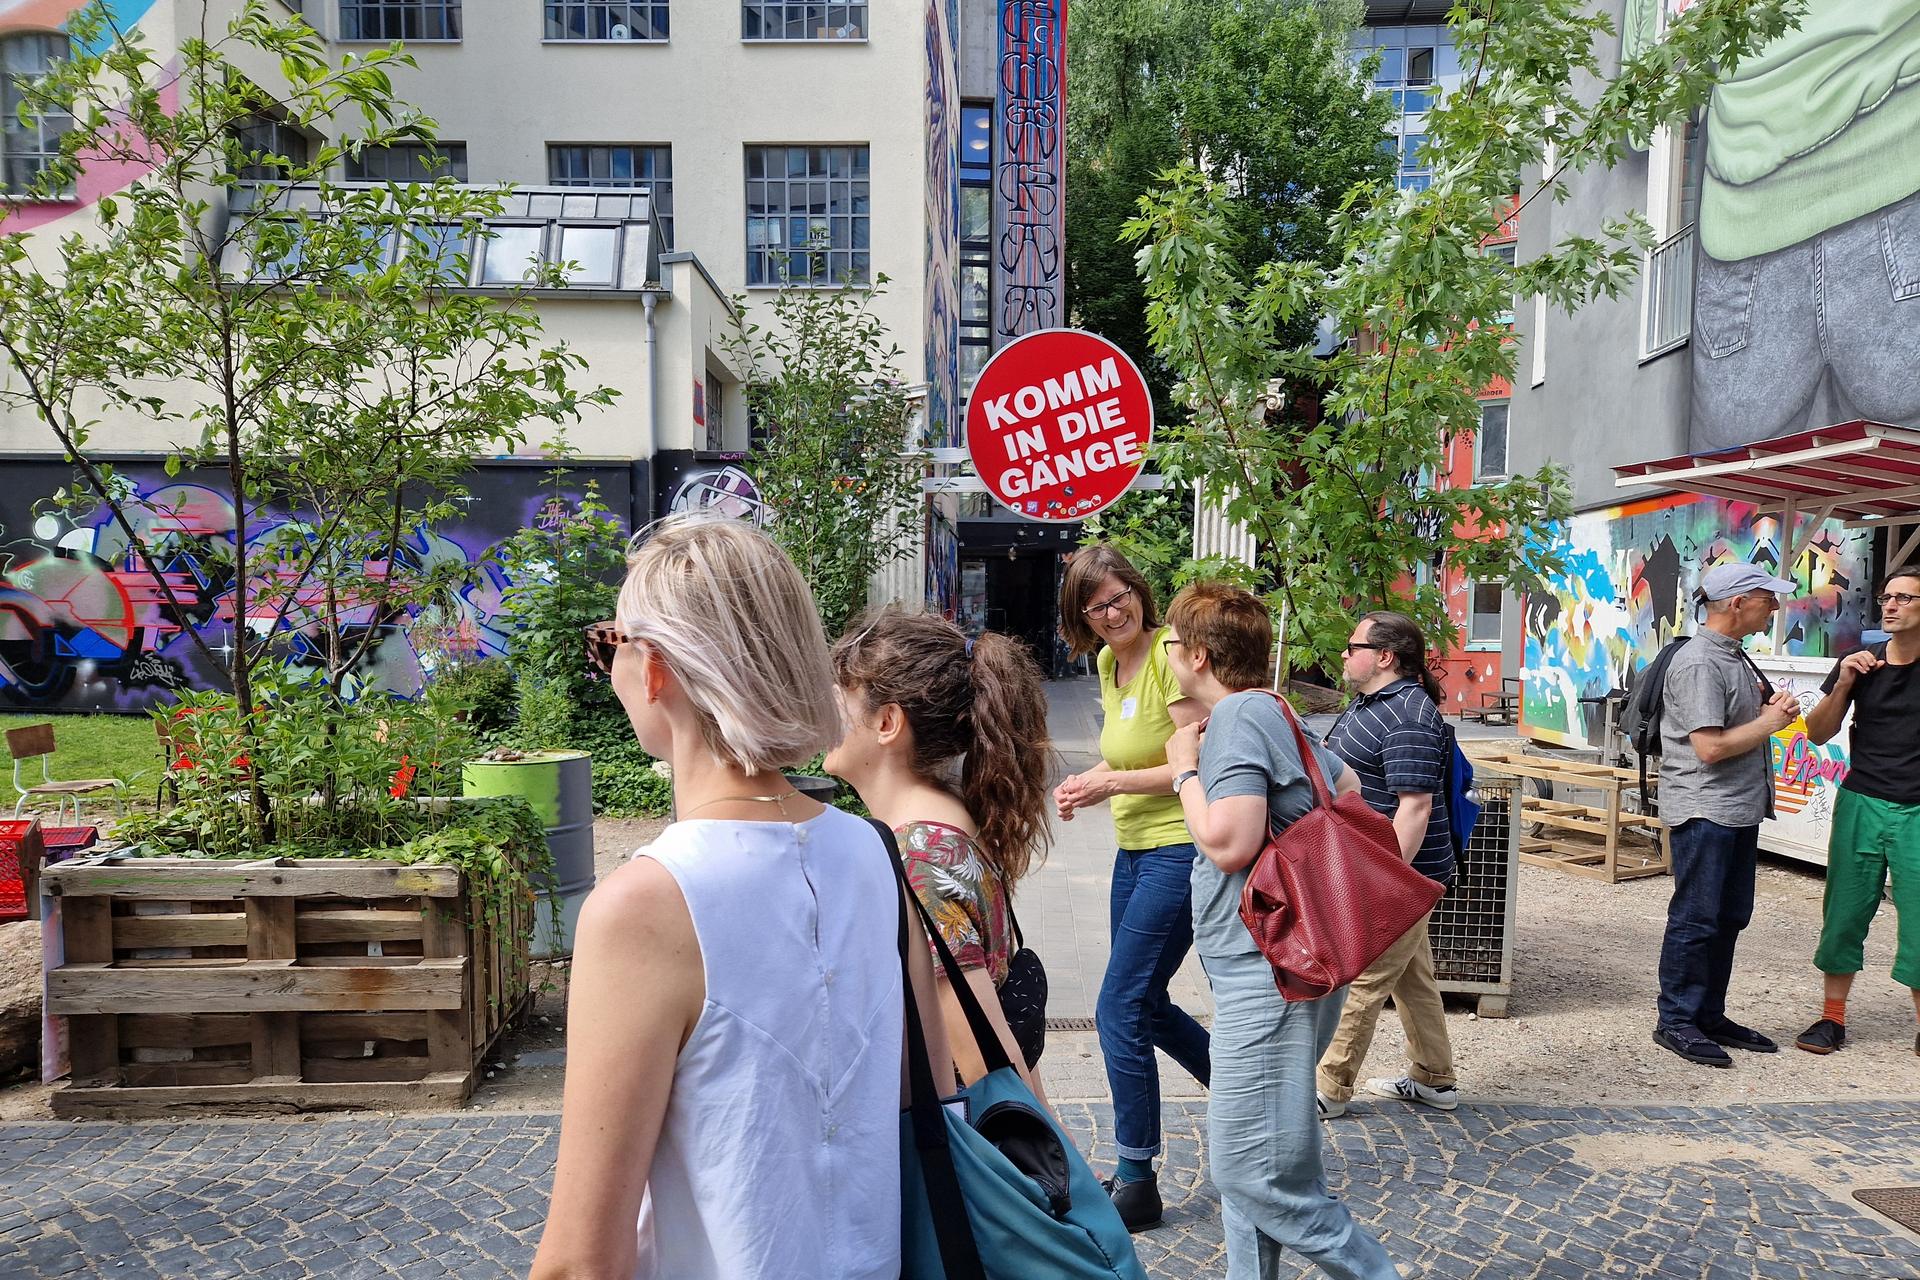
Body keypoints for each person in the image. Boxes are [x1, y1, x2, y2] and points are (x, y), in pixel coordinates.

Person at [530, 516, 950, 1280]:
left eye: (609, 644)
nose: (611, 665)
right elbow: (921, 1105)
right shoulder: (874, 853)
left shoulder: (643, 907)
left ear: (652, 668)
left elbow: (582, 1260)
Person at [1163, 582, 1410, 1280]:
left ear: (1200, 654)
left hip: (1268, 974)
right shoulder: (1270, 708)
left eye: (1174, 644)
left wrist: (1186, 771)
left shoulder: (1239, 718)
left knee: (1253, 1173)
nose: (1170, 656)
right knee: (1262, 1157)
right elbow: (1349, 787)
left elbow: (1229, 842)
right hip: (1287, 964)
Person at [826, 607, 1052, 1095]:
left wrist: (1053, 1164)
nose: (826, 709)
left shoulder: (921, 857)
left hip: (947, 1153)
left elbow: (987, 1062)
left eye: (841, 694)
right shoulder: (948, 817)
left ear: (887, 721)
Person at [1052, 545, 1210, 1230]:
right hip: (1133, 849)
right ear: (1081, 615)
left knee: (1117, 1004)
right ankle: (1248, 1099)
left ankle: (1138, 1176)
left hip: (1181, 846)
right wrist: (1088, 786)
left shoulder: (1173, 650)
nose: (1112, 612)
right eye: (1097, 605)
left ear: (1140, 594)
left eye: (1120, 597)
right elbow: (1123, 753)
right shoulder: (1108, 662)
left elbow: (1192, 759)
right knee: (1143, 1000)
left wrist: (1110, 781)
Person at [1652, 562, 1801, 1069]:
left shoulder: (1733, 657)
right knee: (1696, 918)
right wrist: (1770, 721)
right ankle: (1676, 1020)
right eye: (1767, 598)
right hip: (1705, 808)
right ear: (1736, 603)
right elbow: (1709, 748)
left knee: (1730, 917)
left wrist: (1767, 710)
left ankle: (1708, 1015)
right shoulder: (1700, 663)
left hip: (1736, 809)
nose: (1775, 608)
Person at [1316, 611, 1459, 1118]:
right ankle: (1435, 1079)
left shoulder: (1409, 717)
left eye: (1352, 646)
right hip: (1377, 868)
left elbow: (1415, 807)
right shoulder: (1372, 702)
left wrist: (1387, 884)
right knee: (1413, 977)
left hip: (1402, 875)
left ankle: (1329, 1087)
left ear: (1384, 656)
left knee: (1366, 976)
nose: (1344, 654)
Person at [1794, 564, 1920, 1058]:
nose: (1891, 605)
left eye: (1905, 598)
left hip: (1917, 810)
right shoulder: (1859, 662)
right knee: (1844, 912)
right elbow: (1817, 732)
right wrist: (1844, 681)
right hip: (1862, 800)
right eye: (1888, 597)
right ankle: (1832, 1019)